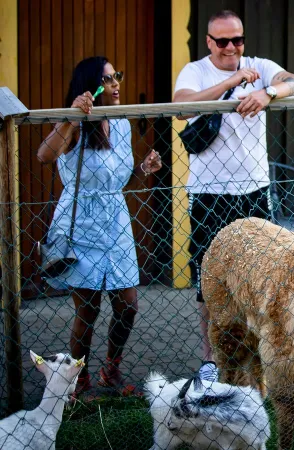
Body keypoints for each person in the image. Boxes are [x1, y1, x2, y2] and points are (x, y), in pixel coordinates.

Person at [173, 10, 294, 382]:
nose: (231, 47)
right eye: (223, 41)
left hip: (253, 187)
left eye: (238, 40)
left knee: (260, 275)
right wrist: (232, 81)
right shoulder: (197, 71)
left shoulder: (259, 66)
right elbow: (183, 106)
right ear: (208, 42)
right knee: (208, 280)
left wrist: (268, 92)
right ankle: (210, 359)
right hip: (209, 191)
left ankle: (256, 351)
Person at [37, 56, 162, 398]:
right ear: (90, 86)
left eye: (117, 76)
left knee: (128, 304)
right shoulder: (77, 124)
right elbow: (44, 155)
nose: (116, 84)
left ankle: (111, 369)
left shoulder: (120, 122)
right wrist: (72, 116)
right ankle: (78, 381)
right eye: (107, 79)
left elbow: (122, 179)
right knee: (88, 309)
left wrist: (143, 168)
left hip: (116, 220)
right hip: (81, 222)